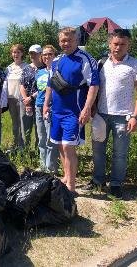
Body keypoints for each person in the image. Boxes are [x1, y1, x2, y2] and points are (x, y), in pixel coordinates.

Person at [83, 29, 137, 199]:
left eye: (122, 44)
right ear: (109, 44)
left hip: (123, 117)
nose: (118, 47)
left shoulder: (136, 64)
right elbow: (95, 88)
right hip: (101, 115)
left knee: (120, 153)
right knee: (97, 150)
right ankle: (98, 180)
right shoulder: (101, 63)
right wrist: (93, 107)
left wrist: (135, 116)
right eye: (115, 44)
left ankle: (117, 184)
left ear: (128, 45)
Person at [43, 27, 99, 195]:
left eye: (69, 40)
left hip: (74, 112)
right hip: (57, 112)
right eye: (62, 40)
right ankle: (66, 177)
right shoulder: (57, 60)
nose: (65, 43)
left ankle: (71, 188)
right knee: (60, 145)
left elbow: (94, 85)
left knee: (68, 147)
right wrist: (46, 104)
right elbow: (50, 84)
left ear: (76, 40)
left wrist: (87, 108)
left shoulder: (86, 59)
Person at [0, 44, 31, 151]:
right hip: (11, 99)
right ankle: (15, 143)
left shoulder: (27, 67)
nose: (16, 54)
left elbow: (29, 84)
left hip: (22, 99)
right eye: (14, 52)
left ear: (22, 53)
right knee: (14, 123)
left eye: (18, 52)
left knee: (23, 122)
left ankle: (23, 147)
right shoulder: (9, 68)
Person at [35, 45, 59, 173]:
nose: (47, 56)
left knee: (50, 139)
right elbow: (38, 90)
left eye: (50, 54)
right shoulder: (40, 72)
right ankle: (42, 165)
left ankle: (51, 168)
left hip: (51, 107)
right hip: (38, 106)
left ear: (55, 56)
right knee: (41, 138)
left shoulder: (57, 72)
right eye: (44, 54)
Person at [19, 44, 45, 149]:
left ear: (40, 54)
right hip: (26, 103)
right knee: (25, 127)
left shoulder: (45, 69)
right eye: (31, 54)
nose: (32, 56)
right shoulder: (26, 68)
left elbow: (43, 87)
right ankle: (26, 150)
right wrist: (26, 99)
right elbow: (21, 85)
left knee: (39, 127)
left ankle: (39, 150)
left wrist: (32, 98)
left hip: (39, 101)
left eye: (35, 53)